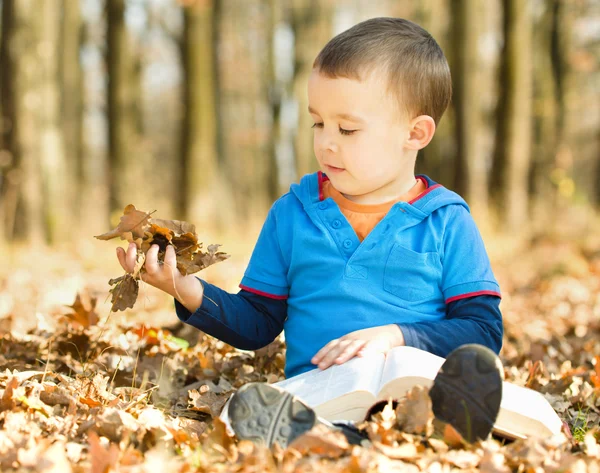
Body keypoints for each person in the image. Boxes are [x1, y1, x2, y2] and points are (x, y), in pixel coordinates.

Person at [116, 17, 504, 448]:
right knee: (250, 409)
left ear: (415, 133)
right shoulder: (293, 214)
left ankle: (435, 426)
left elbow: (482, 330)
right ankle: (329, 439)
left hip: (417, 390)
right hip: (320, 396)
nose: (326, 143)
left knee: (446, 390)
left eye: (348, 129)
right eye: (318, 123)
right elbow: (258, 322)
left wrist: (398, 335)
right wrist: (183, 287)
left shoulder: (446, 220)